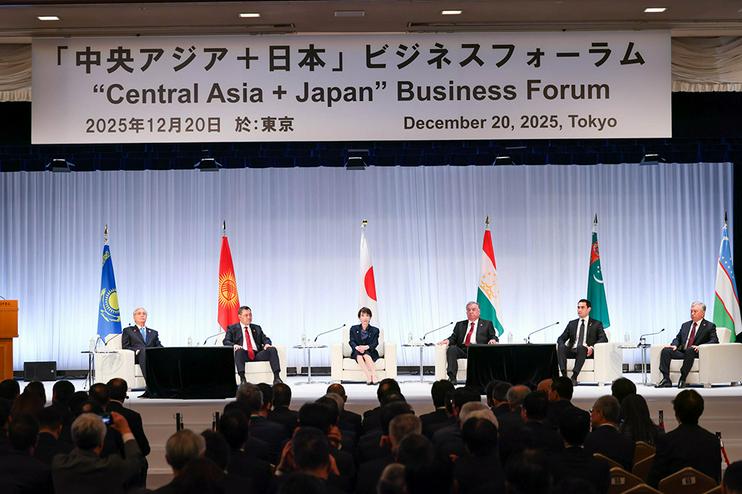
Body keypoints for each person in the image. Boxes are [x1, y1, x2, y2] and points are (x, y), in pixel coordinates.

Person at [52, 412, 146, 494]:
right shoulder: (111, 466)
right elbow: (135, 461)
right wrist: (125, 430)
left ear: (74, 439)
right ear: (101, 442)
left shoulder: (59, 464)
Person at [647, 389, 721, 487]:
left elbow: (654, 480)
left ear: (676, 413)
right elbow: (716, 479)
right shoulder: (713, 441)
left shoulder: (666, 441)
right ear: (700, 411)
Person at [656, 301, 718, 388]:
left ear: (702, 314)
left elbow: (714, 340)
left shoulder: (709, 326)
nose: (692, 313)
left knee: (690, 350)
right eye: (691, 311)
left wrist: (700, 347)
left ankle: (683, 378)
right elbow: (678, 338)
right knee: (666, 351)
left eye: (695, 311)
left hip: (696, 352)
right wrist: (674, 345)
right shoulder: (685, 325)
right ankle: (666, 379)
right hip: (683, 352)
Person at [438, 302, 498, 384]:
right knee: (452, 349)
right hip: (463, 349)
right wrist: (448, 340)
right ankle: (452, 378)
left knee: (484, 352)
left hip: (478, 350)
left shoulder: (487, 324)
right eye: (468, 310)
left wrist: (493, 339)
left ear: (479, 311)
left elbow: (493, 336)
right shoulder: (460, 324)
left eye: (473, 309)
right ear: (466, 312)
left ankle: (481, 379)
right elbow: (454, 337)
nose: (471, 312)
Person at [224, 306, 282, 385]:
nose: (249, 317)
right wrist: (234, 345)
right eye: (246, 315)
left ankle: (277, 378)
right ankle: (243, 379)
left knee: (272, 349)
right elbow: (226, 341)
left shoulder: (257, 328)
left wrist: (267, 344)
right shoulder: (232, 328)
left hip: (257, 354)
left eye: (250, 315)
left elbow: (265, 338)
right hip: (243, 354)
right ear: (239, 317)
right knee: (239, 351)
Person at [556, 299, 607, 385]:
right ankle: (564, 376)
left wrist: (592, 348)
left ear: (589, 309)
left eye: (582, 307)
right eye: (578, 307)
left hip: (586, 352)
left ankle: (574, 376)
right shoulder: (572, 323)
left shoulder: (596, 324)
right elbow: (561, 338)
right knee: (561, 347)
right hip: (572, 350)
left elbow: (604, 338)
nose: (579, 310)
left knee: (581, 347)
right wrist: (561, 345)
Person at [584, 395, 634, 469]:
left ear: (600, 413)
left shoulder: (589, 439)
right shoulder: (629, 443)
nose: (591, 415)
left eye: (592, 411)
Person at [121, 307, 163, 381]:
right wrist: (137, 351)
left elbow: (158, 345)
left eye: (144, 314)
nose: (142, 315)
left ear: (146, 317)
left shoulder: (153, 332)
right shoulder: (128, 330)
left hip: (151, 356)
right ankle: (150, 382)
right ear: (134, 317)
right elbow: (125, 346)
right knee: (143, 351)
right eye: (139, 313)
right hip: (137, 356)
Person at [349, 307, 381, 384]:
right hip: (357, 350)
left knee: (366, 355)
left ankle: (374, 375)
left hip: (370, 351)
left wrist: (366, 347)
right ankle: (369, 376)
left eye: (367, 315)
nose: (365, 318)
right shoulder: (353, 328)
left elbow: (375, 343)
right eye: (362, 315)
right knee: (359, 355)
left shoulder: (375, 330)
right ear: (359, 318)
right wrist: (357, 347)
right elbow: (351, 341)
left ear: (370, 317)